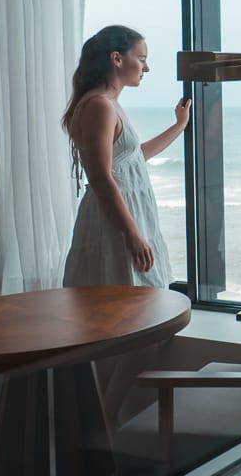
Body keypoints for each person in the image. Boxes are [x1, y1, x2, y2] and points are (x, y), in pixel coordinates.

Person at [61, 25, 190, 288]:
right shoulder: (99, 106)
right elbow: (100, 177)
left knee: (134, 301)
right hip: (116, 220)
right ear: (117, 59)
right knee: (124, 303)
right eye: (141, 59)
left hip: (127, 214)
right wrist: (131, 233)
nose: (146, 68)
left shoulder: (108, 104)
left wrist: (179, 126)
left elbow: (133, 158)